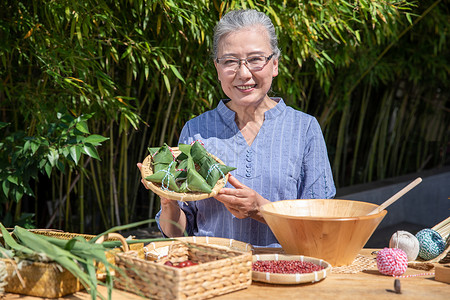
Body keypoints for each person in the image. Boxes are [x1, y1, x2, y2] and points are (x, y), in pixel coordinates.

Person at [138, 9, 336, 247]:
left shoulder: (304, 129)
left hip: (283, 272)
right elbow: (179, 232)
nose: (243, 73)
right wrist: (168, 200)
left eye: (255, 59)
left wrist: (260, 209)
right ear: (217, 68)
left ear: (274, 64)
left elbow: (322, 227)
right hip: (211, 272)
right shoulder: (197, 130)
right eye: (230, 61)